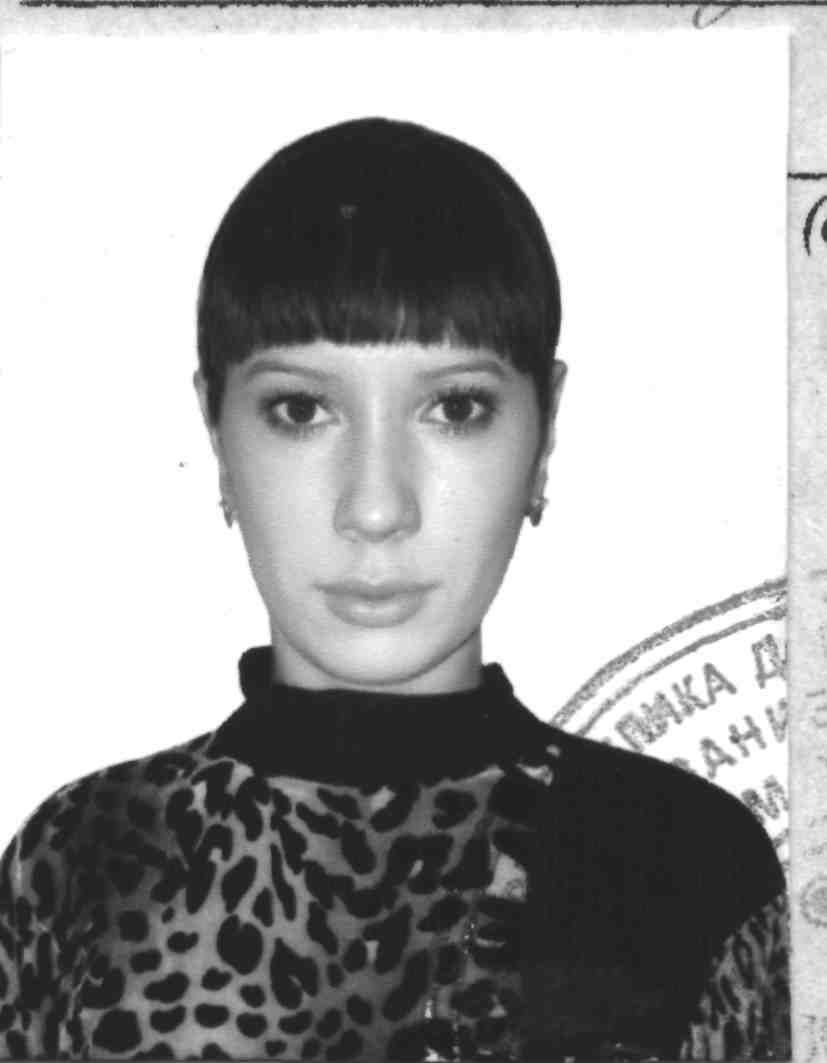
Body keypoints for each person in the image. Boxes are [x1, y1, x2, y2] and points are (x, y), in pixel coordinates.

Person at [0, 118, 788, 1062]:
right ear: (215, 433)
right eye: (300, 409)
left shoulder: (686, 869)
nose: (375, 507)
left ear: (543, 435)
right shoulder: (83, 864)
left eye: (454, 407)